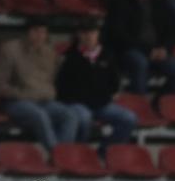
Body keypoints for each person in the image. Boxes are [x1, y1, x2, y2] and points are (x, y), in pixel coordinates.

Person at [0, 17, 79, 151]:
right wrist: (21, 94)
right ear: (27, 32)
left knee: (70, 115)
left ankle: (63, 154)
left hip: (44, 100)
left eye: (43, 32)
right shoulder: (10, 50)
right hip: (15, 101)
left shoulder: (49, 52)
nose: (40, 36)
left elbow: (53, 79)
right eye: (36, 31)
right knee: (39, 115)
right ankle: (57, 154)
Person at [56, 17, 137, 147]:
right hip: (77, 103)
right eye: (84, 32)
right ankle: (79, 151)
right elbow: (62, 85)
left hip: (101, 103)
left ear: (97, 34)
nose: (88, 36)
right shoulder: (69, 57)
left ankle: (104, 153)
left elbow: (114, 81)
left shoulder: (107, 55)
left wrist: (109, 95)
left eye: (92, 32)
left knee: (129, 118)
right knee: (84, 118)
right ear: (79, 35)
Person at [103, 0, 175, 96]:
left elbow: (170, 31)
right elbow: (119, 35)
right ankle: (140, 105)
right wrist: (148, 51)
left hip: (158, 49)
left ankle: (159, 105)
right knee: (140, 63)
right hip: (131, 49)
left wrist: (165, 49)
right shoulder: (119, 1)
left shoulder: (159, 0)